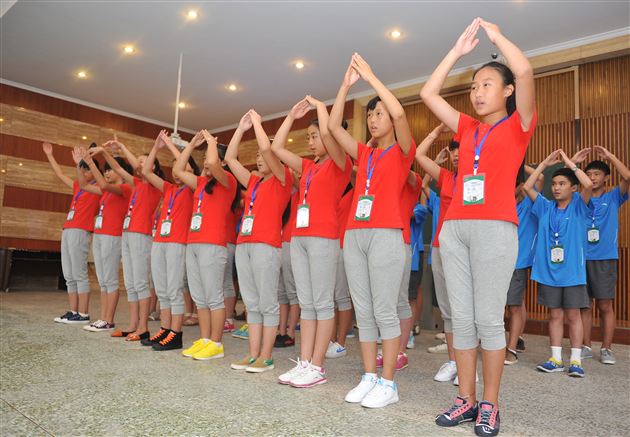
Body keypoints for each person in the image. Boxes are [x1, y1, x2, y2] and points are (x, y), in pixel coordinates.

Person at [421, 18, 536, 436]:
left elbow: (524, 71)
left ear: (506, 92)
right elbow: (427, 93)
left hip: (494, 229)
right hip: (455, 230)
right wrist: (455, 53)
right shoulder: (467, 128)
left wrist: (497, 38)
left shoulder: (519, 125)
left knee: (489, 320)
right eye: (473, 86)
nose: (477, 92)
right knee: (462, 321)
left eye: (487, 83)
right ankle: (465, 400)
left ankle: (490, 404)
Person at [329, 54, 415, 408]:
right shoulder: (365, 153)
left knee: (384, 310)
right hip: (355, 234)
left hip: (385, 234)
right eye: (370, 114)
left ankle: (388, 384)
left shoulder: (402, 151)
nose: (374, 118)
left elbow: (399, 114)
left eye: (378, 113)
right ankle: (368, 376)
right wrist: (347, 86)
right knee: (363, 310)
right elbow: (335, 128)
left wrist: (372, 78)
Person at [272, 96, 352, 388]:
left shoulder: (342, 163)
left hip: (322, 238)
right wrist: (291, 116)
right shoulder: (308, 167)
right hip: (300, 238)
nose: (311, 141)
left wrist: (322, 109)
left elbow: (331, 135)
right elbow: (276, 148)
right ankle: (304, 362)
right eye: (308, 136)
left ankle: (317, 366)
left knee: (322, 303)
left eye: (314, 135)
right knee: (307, 305)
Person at [226, 111, 292, 373]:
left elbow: (266, 146)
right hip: (244, 244)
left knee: (267, 302)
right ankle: (252, 354)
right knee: (251, 303)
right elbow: (230, 158)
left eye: (264, 155)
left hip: (267, 244)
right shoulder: (253, 182)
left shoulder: (283, 178)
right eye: (256, 156)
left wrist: (258, 126)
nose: (260, 157)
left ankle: (266, 355)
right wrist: (241, 129)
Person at [524, 150, 593, 378]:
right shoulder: (544, 206)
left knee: (573, 315)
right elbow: (527, 188)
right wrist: (544, 164)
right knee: (554, 315)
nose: (556, 187)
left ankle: (575, 360)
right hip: (548, 273)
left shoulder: (578, 206)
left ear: (572, 188)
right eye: (554, 183)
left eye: (562, 184)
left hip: (572, 273)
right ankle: (556, 358)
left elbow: (588, 185)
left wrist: (570, 164)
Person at [175, 131, 238, 360]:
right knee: (200, 297)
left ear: (222, 163)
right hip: (193, 243)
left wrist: (212, 142)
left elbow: (212, 161)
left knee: (213, 297)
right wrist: (190, 145)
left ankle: (216, 343)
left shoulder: (228, 182)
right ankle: (204, 339)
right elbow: (178, 171)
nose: (206, 164)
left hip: (213, 245)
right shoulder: (202, 183)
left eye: (210, 160)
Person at [139, 131, 195, 350]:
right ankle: (164, 329)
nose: (177, 171)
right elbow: (145, 170)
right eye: (174, 167)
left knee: (173, 288)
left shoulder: (193, 189)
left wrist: (172, 145)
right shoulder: (168, 188)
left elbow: (184, 167)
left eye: (181, 166)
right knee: (162, 289)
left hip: (177, 243)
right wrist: (156, 148)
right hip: (160, 241)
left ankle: (176, 332)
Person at [575, 146, 629, 364]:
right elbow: (567, 181)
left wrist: (611, 157)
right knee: (584, 305)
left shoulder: (615, 196)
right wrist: (574, 163)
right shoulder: (580, 198)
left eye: (597, 174)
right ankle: (586, 345)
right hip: (581, 258)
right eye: (588, 175)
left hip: (605, 258)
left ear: (606, 178)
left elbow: (628, 177)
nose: (592, 178)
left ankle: (606, 348)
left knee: (605, 304)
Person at [416, 126, 460, 382]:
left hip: (464, 248)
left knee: (464, 309)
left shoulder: (478, 179)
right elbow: (419, 155)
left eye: (460, 152)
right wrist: (434, 137)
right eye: (453, 152)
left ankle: (468, 368)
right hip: (440, 248)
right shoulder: (445, 177)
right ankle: (454, 362)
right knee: (447, 310)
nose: (456, 156)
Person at [76, 147, 132, 332]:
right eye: (105, 170)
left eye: (110, 169)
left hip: (112, 236)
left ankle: (109, 319)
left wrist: (92, 162)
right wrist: (80, 164)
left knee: (110, 279)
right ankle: (103, 318)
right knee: (103, 281)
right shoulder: (105, 192)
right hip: (100, 235)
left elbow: (106, 185)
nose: (106, 172)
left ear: (121, 173)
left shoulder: (124, 188)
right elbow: (84, 185)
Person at [44, 143, 100, 324]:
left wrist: (82, 162)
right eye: (81, 170)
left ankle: (83, 314)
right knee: (69, 274)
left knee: (79, 272)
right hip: (68, 229)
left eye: (86, 170)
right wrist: (50, 155)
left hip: (81, 230)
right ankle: (73, 310)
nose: (83, 173)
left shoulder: (98, 187)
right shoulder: (77, 186)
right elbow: (60, 174)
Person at [504, 164, 543, 365]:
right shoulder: (503, 203)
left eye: (517, 185)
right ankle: (516, 338)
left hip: (518, 262)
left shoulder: (529, 204)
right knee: (515, 303)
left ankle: (511, 349)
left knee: (514, 305)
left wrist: (519, 163)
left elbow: (540, 177)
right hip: (500, 260)